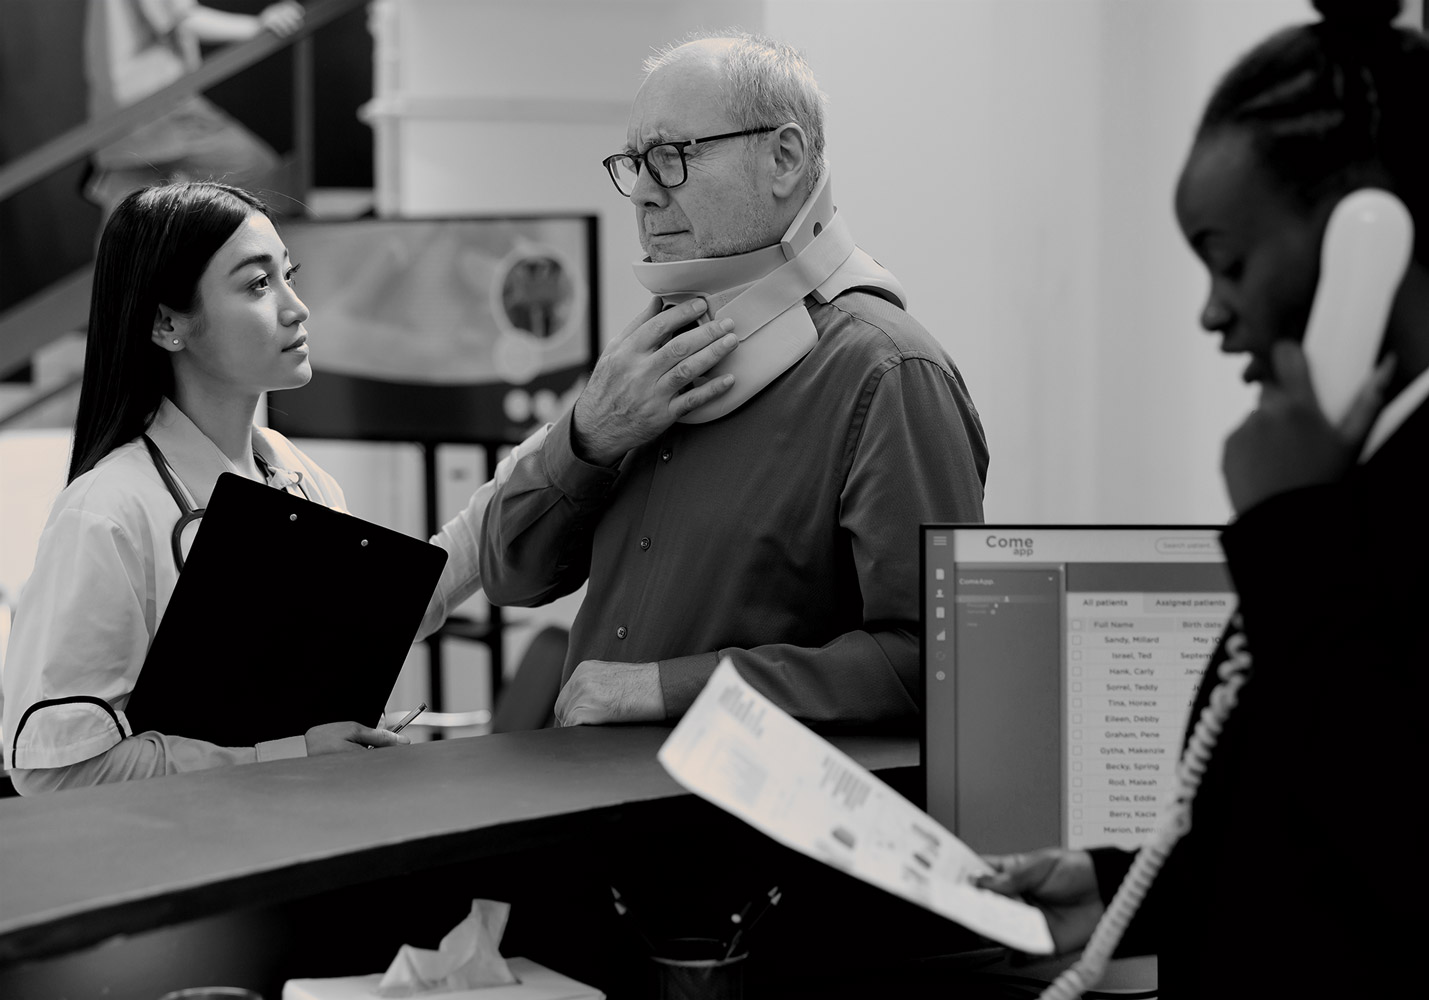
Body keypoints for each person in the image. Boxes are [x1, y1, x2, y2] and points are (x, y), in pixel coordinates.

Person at [977, 2, 1427, 996]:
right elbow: (1306, 801)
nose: (1212, 310)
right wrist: (1115, 883)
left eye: (1230, 261)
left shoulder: (1328, 515)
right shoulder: (1351, 485)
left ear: (1372, 234)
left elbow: (1407, 851)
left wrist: (1289, 531)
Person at [478, 32, 989, 732]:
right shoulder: (653, 349)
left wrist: (669, 688)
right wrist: (589, 438)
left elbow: (938, 662)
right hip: (597, 814)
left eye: (673, 156)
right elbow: (513, 574)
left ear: (783, 158)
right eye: (634, 162)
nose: (645, 194)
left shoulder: (888, 374)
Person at [0, 182, 534, 794]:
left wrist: (553, 458)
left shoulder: (296, 477)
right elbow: (56, 770)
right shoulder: (107, 511)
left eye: (290, 276)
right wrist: (287, 757)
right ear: (168, 323)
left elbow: (386, 615)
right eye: (258, 284)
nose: (296, 307)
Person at [84, 0, 305, 225]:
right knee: (258, 172)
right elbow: (183, 19)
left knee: (124, 222)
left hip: (117, 115)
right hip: (162, 104)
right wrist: (258, 26)